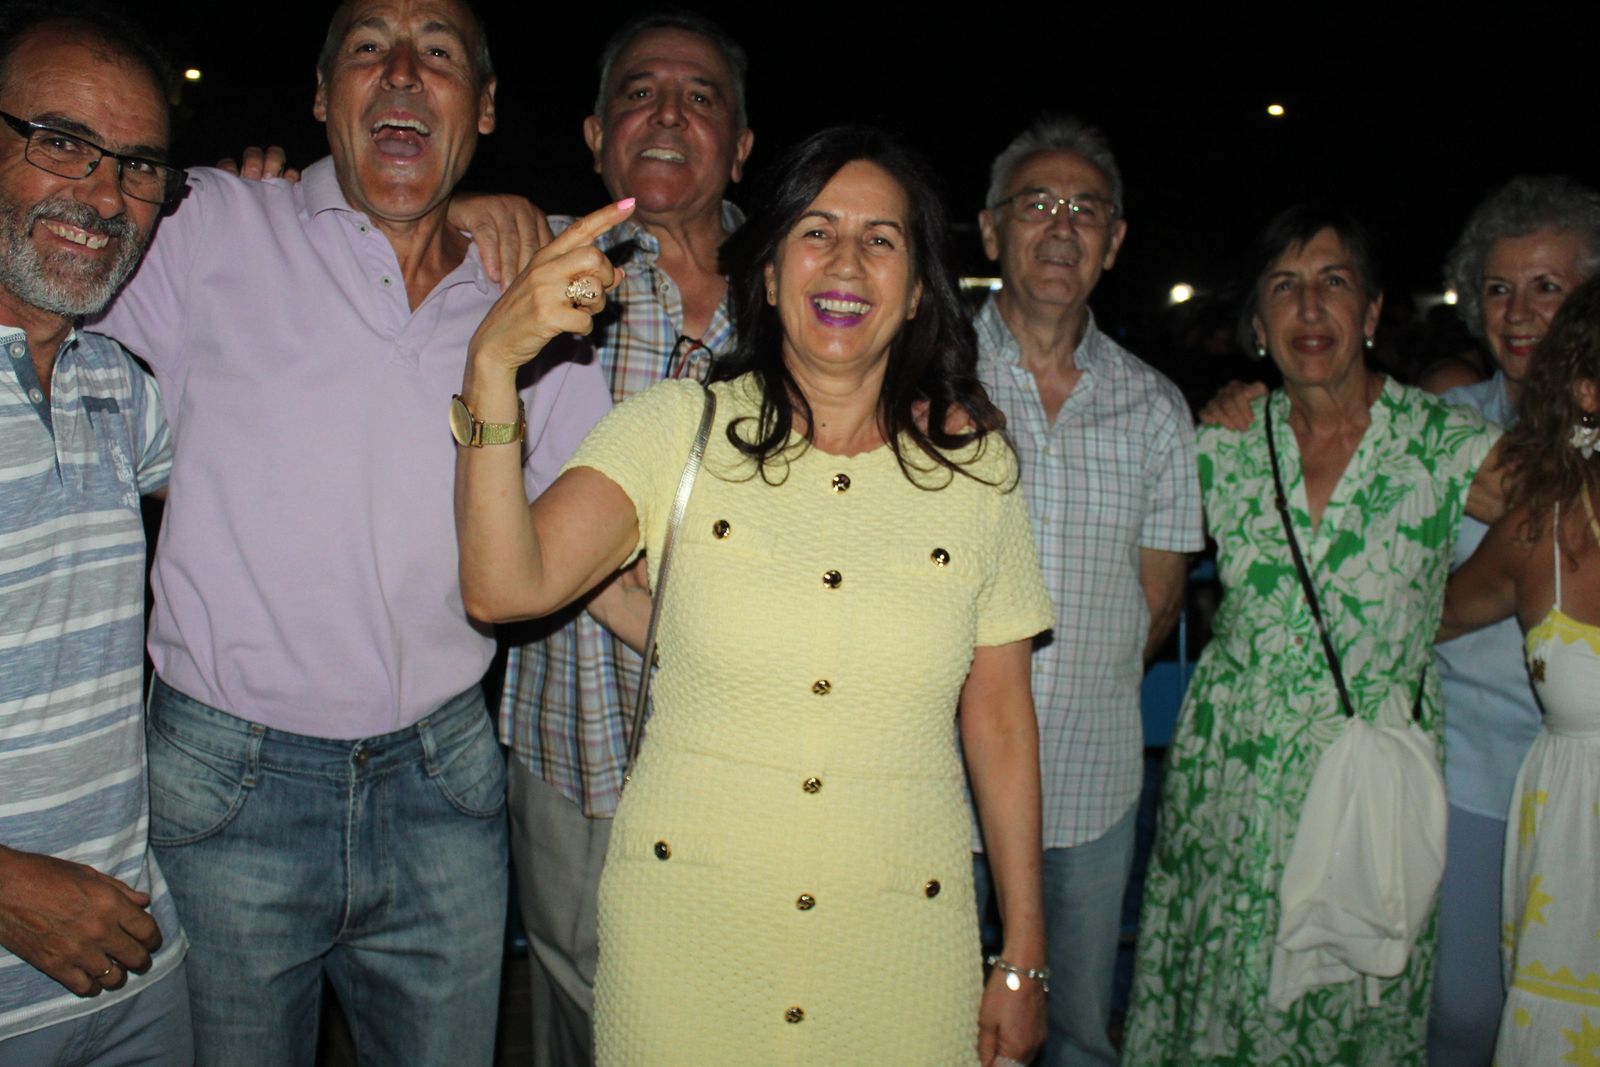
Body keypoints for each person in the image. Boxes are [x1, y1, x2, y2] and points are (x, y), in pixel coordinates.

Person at [456, 126, 1052, 1066]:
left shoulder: (975, 473)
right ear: (769, 276)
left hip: (900, 941)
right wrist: (493, 366)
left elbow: (1004, 721)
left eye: (881, 238)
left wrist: (1023, 954)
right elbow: (502, 585)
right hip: (687, 937)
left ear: (914, 289)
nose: (847, 260)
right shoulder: (673, 428)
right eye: (816, 231)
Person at [86, 1, 611, 1063]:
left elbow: (570, 538)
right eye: (369, 49)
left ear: (488, 107)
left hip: (446, 774)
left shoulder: (540, 287)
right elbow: (38, 268)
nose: (405, 71)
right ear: (323, 99)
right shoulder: (209, 225)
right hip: (225, 778)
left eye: (441, 53)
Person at [1123, 205, 1506, 1065]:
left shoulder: (1441, 441)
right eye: (1284, 288)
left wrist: (1460, 605)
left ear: (1371, 313)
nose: (1309, 309)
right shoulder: (1221, 444)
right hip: (1235, 779)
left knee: (1353, 1010)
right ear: (1257, 325)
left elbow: (1565, 511)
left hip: (1375, 780)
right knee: (1223, 989)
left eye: (1334, 283)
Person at [494, 14, 753, 1064]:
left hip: (751, 736)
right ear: (596, 132)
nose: (669, 113)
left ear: (740, 143)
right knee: (580, 999)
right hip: (575, 727)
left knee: (736, 998)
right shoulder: (534, 266)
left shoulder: (803, 287)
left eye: (701, 96)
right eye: (641, 93)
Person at [971, 115, 1202, 1067]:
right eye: (1037, 203)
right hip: (941, 779)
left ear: (1113, 242)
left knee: (1074, 1034)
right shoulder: (926, 377)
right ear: (991, 231)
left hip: (1096, 780)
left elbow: (1160, 604)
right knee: (929, 1021)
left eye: (1086, 208)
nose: (1061, 225)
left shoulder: (1156, 406)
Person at [0, 4, 188, 1061]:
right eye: (60, 142)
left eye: (139, 165)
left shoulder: (119, 387)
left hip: (137, 963)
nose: (104, 195)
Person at [1427, 175, 1600, 1066]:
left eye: (1547, 285)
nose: (1521, 311)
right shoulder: (1437, 433)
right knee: (1465, 1017)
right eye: (1499, 288)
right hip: (1475, 777)